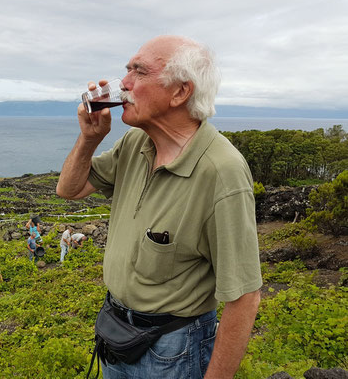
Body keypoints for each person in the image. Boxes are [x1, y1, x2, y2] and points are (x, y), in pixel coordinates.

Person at [56, 35, 262, 378]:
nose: (123, 84)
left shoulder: (221, 171)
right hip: (116, 332)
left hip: (172, 349)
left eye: (139, 72)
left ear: (180, 92)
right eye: (127, 71)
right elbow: (70, 188)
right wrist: (90, 138)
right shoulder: (137, 141)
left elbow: (245, 298)